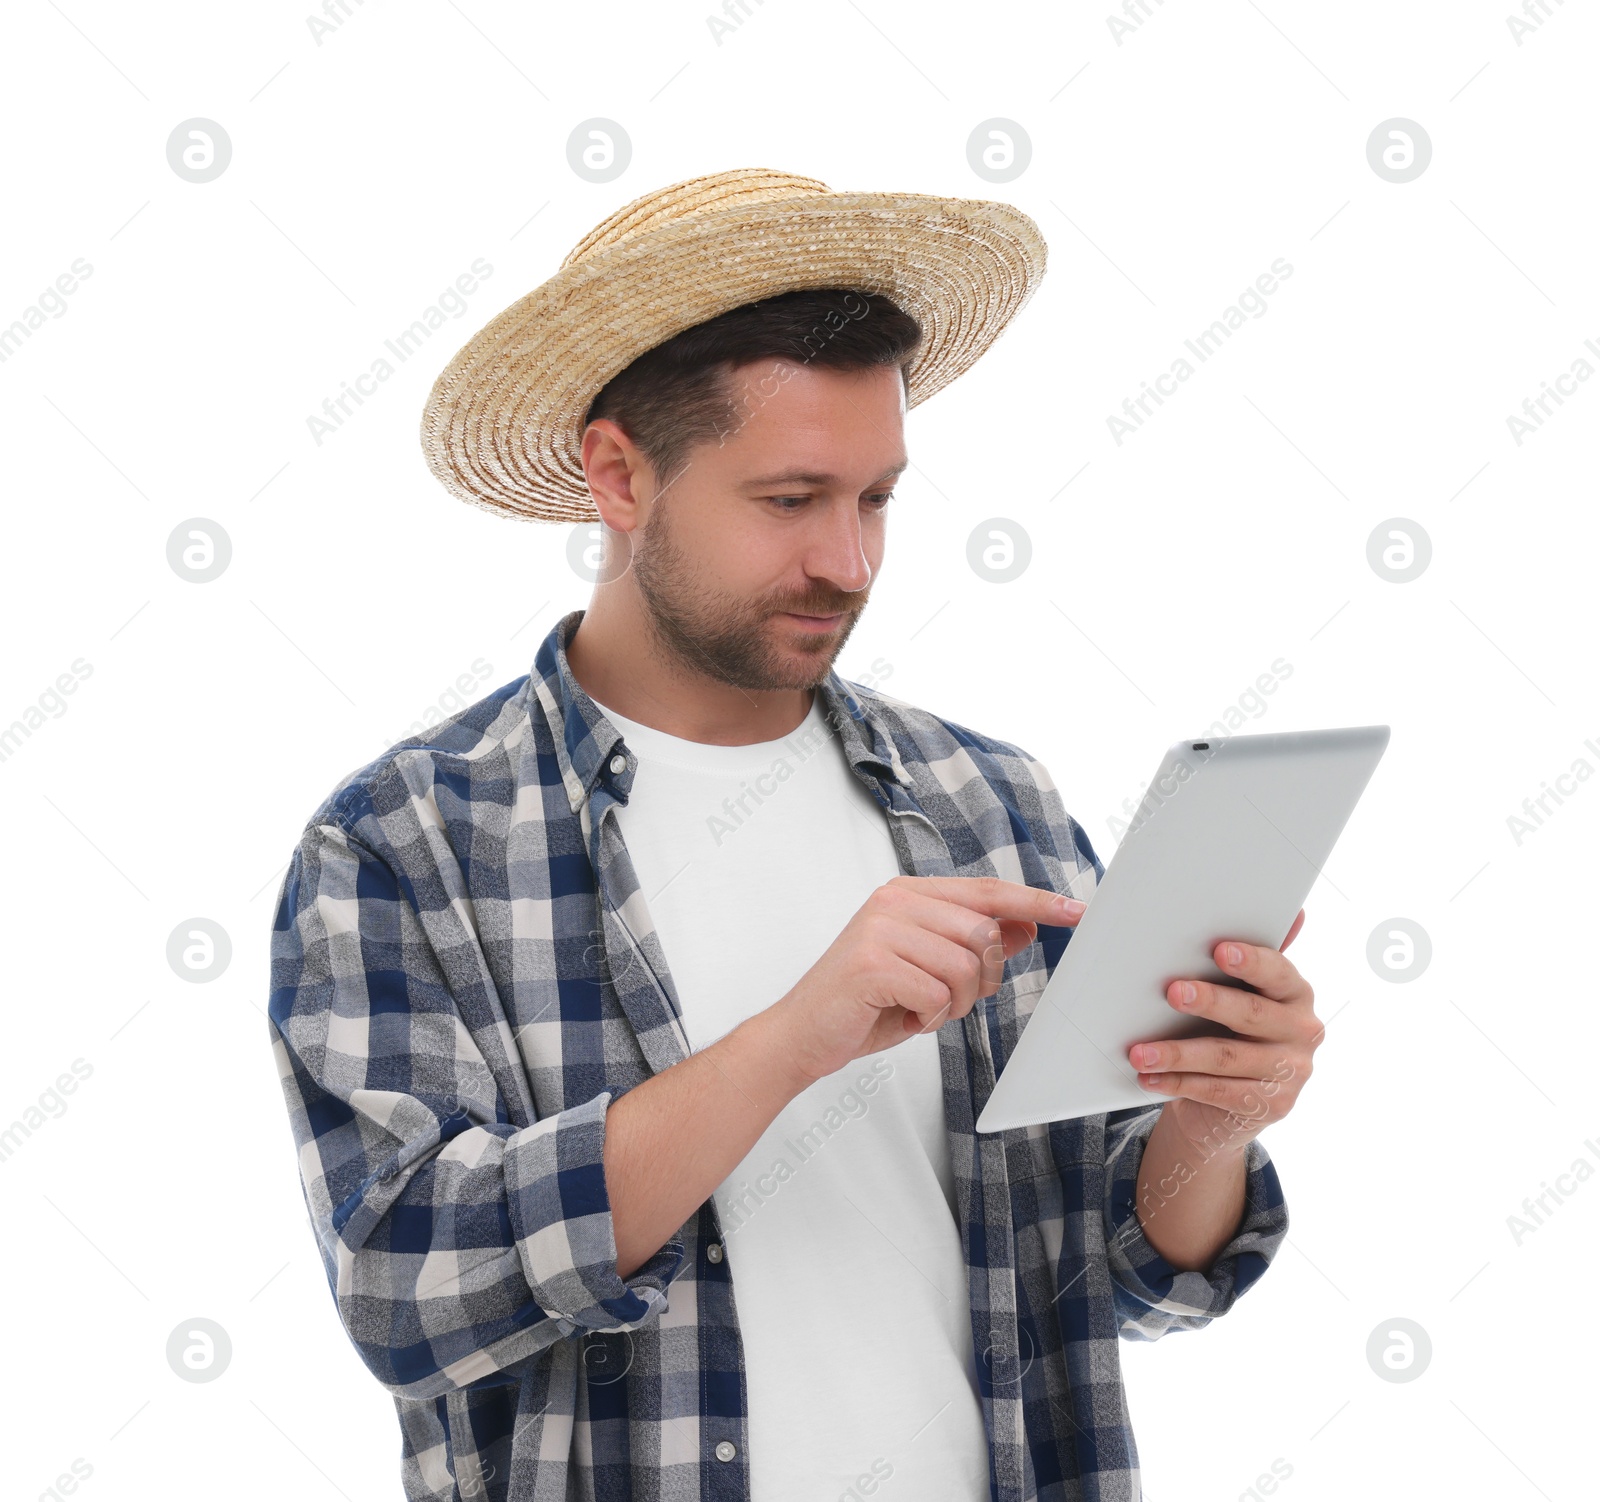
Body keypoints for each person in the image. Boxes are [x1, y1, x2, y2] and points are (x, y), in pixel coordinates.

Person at [268, 168, 1319, 1502]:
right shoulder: (407, 840)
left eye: (876, 497)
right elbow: (407, 1287)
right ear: (617, 474)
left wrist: (1213, 1118)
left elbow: (1128, 1274)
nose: (850, 560)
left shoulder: (992, 802)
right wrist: (790, 1038)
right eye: (789, 500)